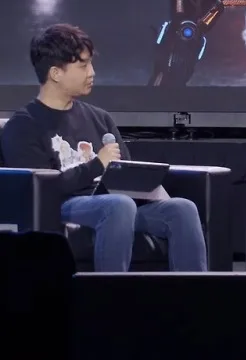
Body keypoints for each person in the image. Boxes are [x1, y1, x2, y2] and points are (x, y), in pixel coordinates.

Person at [0, 24, 208, 272]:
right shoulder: (24, 125)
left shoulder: (100, 118)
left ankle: (195, 293)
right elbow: (40, 189)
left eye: (91, 64)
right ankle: (109, 293)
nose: (92, 73)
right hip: (63, 206)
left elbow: (125, 170)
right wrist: (97, 164)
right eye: (83, 66)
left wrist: (143, 182)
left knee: (182, 209)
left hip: (116, 205)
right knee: (118, 206)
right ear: (55, 73)